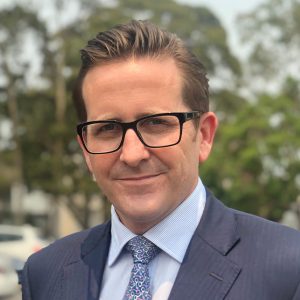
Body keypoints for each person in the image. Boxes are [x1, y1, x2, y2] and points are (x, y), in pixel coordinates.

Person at [21, 20, 300, 300]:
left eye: (156, 124)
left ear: (203, 136)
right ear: (85, 150)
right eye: (108, 129)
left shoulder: (289, 268)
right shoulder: (46, 273)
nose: (132, 154)